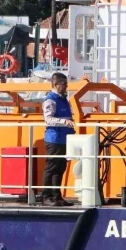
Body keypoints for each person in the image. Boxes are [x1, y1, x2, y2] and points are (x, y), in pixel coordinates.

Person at [41, 72, 76, 206]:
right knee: (51, 168)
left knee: (60, 168)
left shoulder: (63, 99)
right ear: (56, 85)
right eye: (63, 84)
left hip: (64, 139)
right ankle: (46, 196)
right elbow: (48, 119)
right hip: (54, 139)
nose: (66, 86)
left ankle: (57, 196)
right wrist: (64, 122)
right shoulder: (51, 99)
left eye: (66, 83)